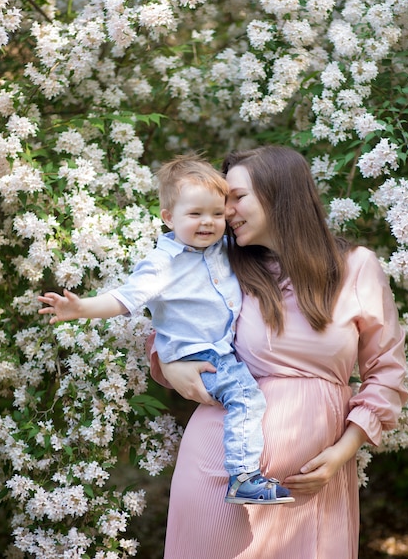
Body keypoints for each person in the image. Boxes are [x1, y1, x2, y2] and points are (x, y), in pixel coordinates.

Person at [149, 145, 408, 559]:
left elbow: (388, 374)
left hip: (311, 483)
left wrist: (343, 452)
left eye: (236, 197)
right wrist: (171, 362)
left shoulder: (356, 267)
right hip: (219, 474)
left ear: (279, 194)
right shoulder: (221, 267)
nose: (225, 210)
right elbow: (172, 326)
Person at [38, 153, 293, 506]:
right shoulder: (163, 265)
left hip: (219, 351)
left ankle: (244, 475)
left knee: (245, 399)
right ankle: (243, 477)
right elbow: (124, 299)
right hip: (199, 356)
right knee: (247, 399)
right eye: (195, 214)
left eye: (217, 214)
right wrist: (81, 308)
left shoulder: (222, 247)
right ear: (168, 217)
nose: (209, 222)